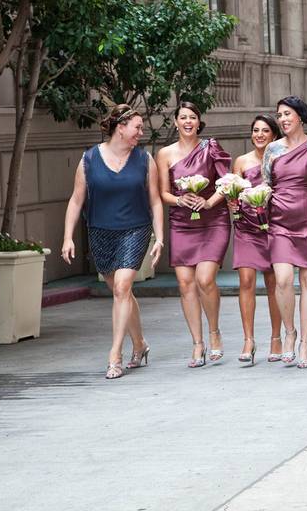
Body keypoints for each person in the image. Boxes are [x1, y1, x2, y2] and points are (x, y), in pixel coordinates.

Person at [61, 104, 165, 379]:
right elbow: (76, 200)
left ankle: (115, 354)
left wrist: (160, 238)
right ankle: (140, 345)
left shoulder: (145, 160)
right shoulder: (89, 159)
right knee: (122, 293)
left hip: (135, 229)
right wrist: (67, 237)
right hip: (100, 231)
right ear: (120, 128)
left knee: (122, 287)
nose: (141, 133)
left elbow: (155, 201)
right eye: (137, 128)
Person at [156, 102, 232, 368]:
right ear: (175, 122)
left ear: (199, 122)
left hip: (213, 220)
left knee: (205, 279)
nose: (188, 122)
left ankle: (214, 332)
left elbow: (227, 183)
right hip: (181, 222)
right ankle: (197, 343)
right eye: (183, 117)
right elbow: (163, 193)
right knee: (186, 284)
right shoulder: (164, 154)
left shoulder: (211, 148)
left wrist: (209, 202)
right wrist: (180, 200)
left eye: (193, 117)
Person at [264, 97, 307, 369]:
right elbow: (266, 184)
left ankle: (306, 342)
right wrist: (253, 200)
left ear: (300, 116)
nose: (283, 119)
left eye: (287, 114)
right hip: (279, 222)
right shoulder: (272, 149)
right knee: (283, 280)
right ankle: (289, 332)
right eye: (279, 115)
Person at [229, 115, 284, 365]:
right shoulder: (241, 161)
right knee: (246, 280)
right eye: (255, 130)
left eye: (265, 130)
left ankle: (276, 339)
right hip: (246, 227)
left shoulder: (281, 159)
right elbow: (233, 191)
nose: (259, 135)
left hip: (274, 226)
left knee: (274, 283)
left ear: (274, 134)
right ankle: (248, 340)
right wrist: (233, 203)